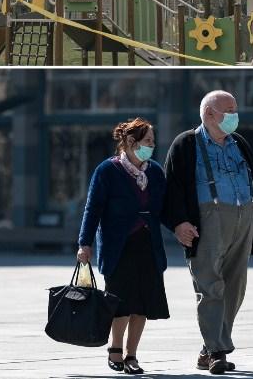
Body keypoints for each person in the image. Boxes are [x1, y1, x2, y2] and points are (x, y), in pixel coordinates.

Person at [163, 90, 253, 375]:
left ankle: (209, 346)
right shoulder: (186, 143)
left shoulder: (239, 142)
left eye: (235, 109)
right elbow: (172, 188)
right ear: (209, 114)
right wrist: (179, 223)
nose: (234, 115)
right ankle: (217, 351)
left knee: (235, 287)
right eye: (229, 110)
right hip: (207, 220)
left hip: (244, 218)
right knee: (210, 286)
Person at [77, 117, 171, 376]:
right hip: (119, 246)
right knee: (120, 302)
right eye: (147, 141)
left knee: (142, 303)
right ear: (131, 142)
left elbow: (165, 209)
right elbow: (92, 208)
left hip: (148, 245)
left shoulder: (154, 172)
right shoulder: (107, 170)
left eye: (152, 141)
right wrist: (84, 243)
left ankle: (132, 355)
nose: (151, 146)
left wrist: (183, 225)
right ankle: (115, 349)